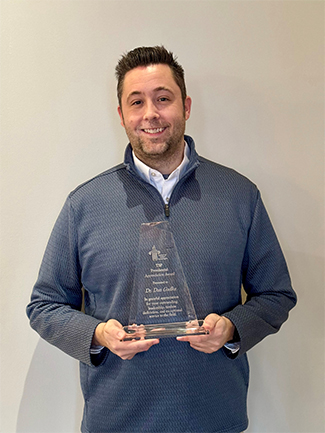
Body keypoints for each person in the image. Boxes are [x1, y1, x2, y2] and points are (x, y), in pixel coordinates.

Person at [27, 46, 297, 433]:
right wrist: (98, 334)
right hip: (116, 421)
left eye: (163, 98)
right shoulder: (84, 204)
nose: (151, 114)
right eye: (136, 102)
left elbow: (276, 294)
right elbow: (44, 305)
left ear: (186, 106)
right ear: (121, 115)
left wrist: (233, 328)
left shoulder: (239, 196)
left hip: (214, 419)